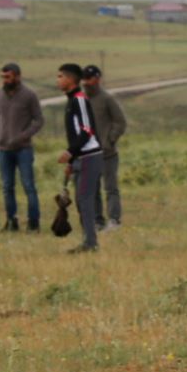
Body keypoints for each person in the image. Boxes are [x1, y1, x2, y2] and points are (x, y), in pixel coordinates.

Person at [0, 63, 45, 232]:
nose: (5, 80)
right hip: (3, 150)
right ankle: (11, 221)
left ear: (17, 76)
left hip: (23, 149)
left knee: (28, 186)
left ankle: (34, 222)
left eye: (8, 77)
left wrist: (23, 136)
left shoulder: (29, 95)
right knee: (7, 187)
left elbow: (39, 120)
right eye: (3, 77)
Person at [56, 63, 103, 254]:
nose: (57, 80)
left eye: (60, 76)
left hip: (89, 157)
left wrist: (70, 152)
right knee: (80, 200)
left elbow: (87, 130)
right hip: (80, 157)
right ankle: (88, 241)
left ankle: (90, 244)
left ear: (70, 79)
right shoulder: (71, 101)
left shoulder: (79, 99)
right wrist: (71, 161)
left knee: (84, 200)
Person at [82, 65, 127, 231]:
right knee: (93, 190)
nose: (86, 83)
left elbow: (120, 122)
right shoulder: (82, 101)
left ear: (97, 79)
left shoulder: (107, 99)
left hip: (107, 153)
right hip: (88, 153)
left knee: (111, 188)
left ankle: (114, 220)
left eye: (89, 79)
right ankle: (97, 221)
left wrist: (110, 140)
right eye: (84, 79)